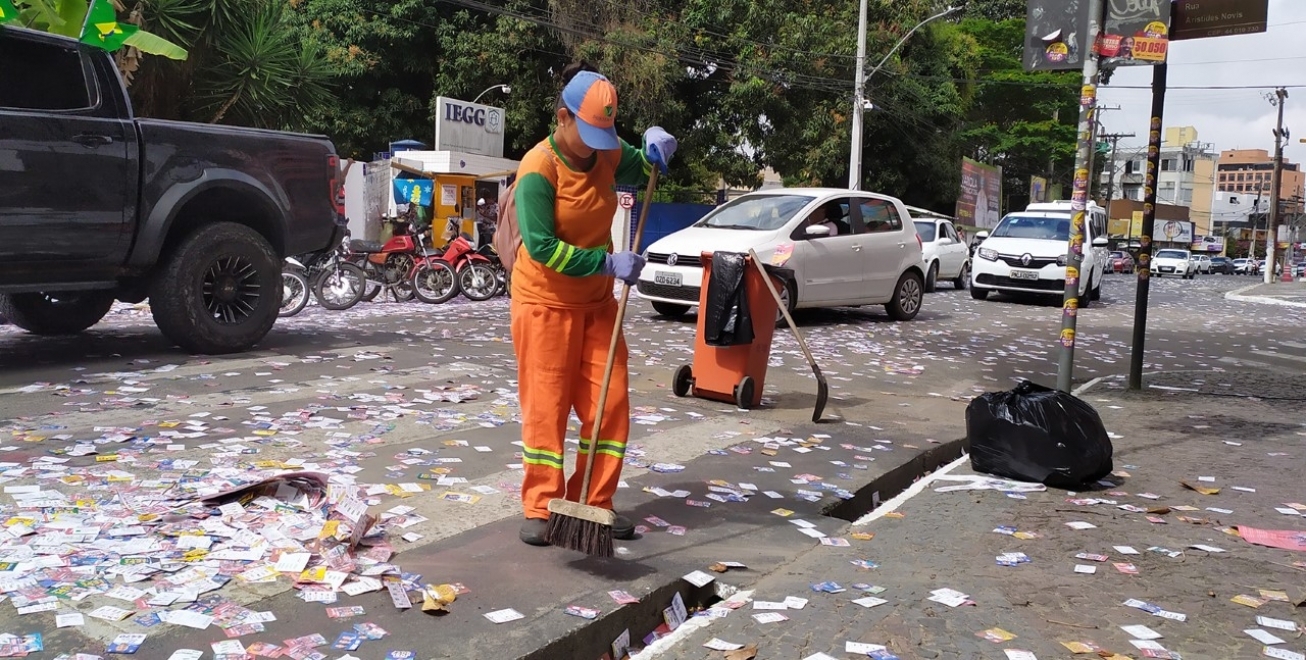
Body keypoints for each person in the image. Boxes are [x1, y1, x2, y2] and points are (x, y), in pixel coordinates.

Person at [511, 62, 677, 546]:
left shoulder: (604, 150)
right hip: (545, 302)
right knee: (547, 407)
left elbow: (643, 166)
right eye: (586, 132)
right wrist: (607, 264)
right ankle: (542, 506)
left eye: (604, 134)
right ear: (562, 117)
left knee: (610, 402)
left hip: (598, 305)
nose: (596, 145)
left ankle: (593, 503)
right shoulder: (538, 168)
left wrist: (655, 149)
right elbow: (541, 246)